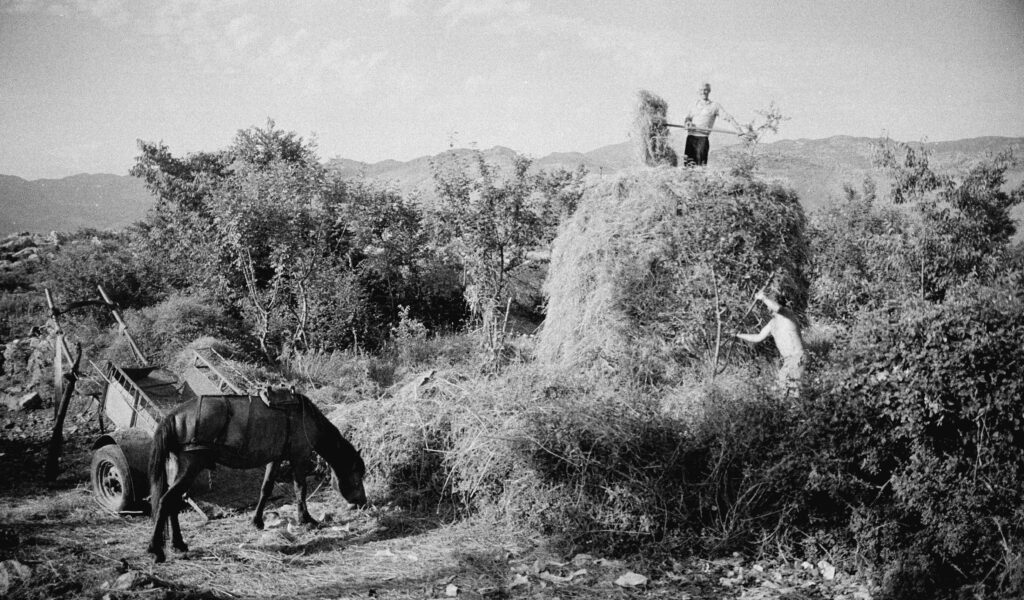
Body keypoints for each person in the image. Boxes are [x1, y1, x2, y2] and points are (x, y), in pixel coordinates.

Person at [735, 291, 805, 396]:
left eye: (769, 305)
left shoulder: (787, 314)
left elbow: (778, 308)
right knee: (785, 392)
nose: (768, 308)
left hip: (798, 356)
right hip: (787, 361)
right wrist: (738, 334)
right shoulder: (772, 323)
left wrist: (763, 298)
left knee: (792, 391)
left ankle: (803, 408)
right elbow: (757, 337)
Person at [682, 82, 743, 166]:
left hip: (702, 139)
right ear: (698, 92)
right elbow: (687, 118)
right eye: (701, 90)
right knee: (688, 165)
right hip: (691, 138)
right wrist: (687, 123)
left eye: (705, 90)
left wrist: (739, 129)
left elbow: (728, 118)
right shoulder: (693, 105)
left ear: (709, 91)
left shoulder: (714, 106)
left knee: (700, 167)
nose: (703, 92)